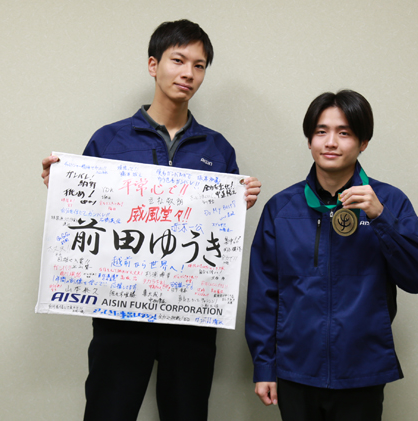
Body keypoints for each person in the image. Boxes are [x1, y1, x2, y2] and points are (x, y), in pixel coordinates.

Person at [41, 19, 261, 421]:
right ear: (153, 64)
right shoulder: (110, 140)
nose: (188, 73)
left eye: (199, 65)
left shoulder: (217, 149)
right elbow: (84, 216)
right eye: (178, 60)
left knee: (187, 413)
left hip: (192, 314)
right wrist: (62, 185)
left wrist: (236, 203)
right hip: (120, 311)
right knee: (108, 411)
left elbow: (219, 233)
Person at [245, 90, 418, 420]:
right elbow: (264, 293)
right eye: (321, 131)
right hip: (295, 370)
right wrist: (264, 365)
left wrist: (380, 217)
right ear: (309, 140)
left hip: (363, 370)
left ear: (363, 143)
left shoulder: (389, 201)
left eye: (344, 133)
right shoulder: (281, 208)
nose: (331, 142)